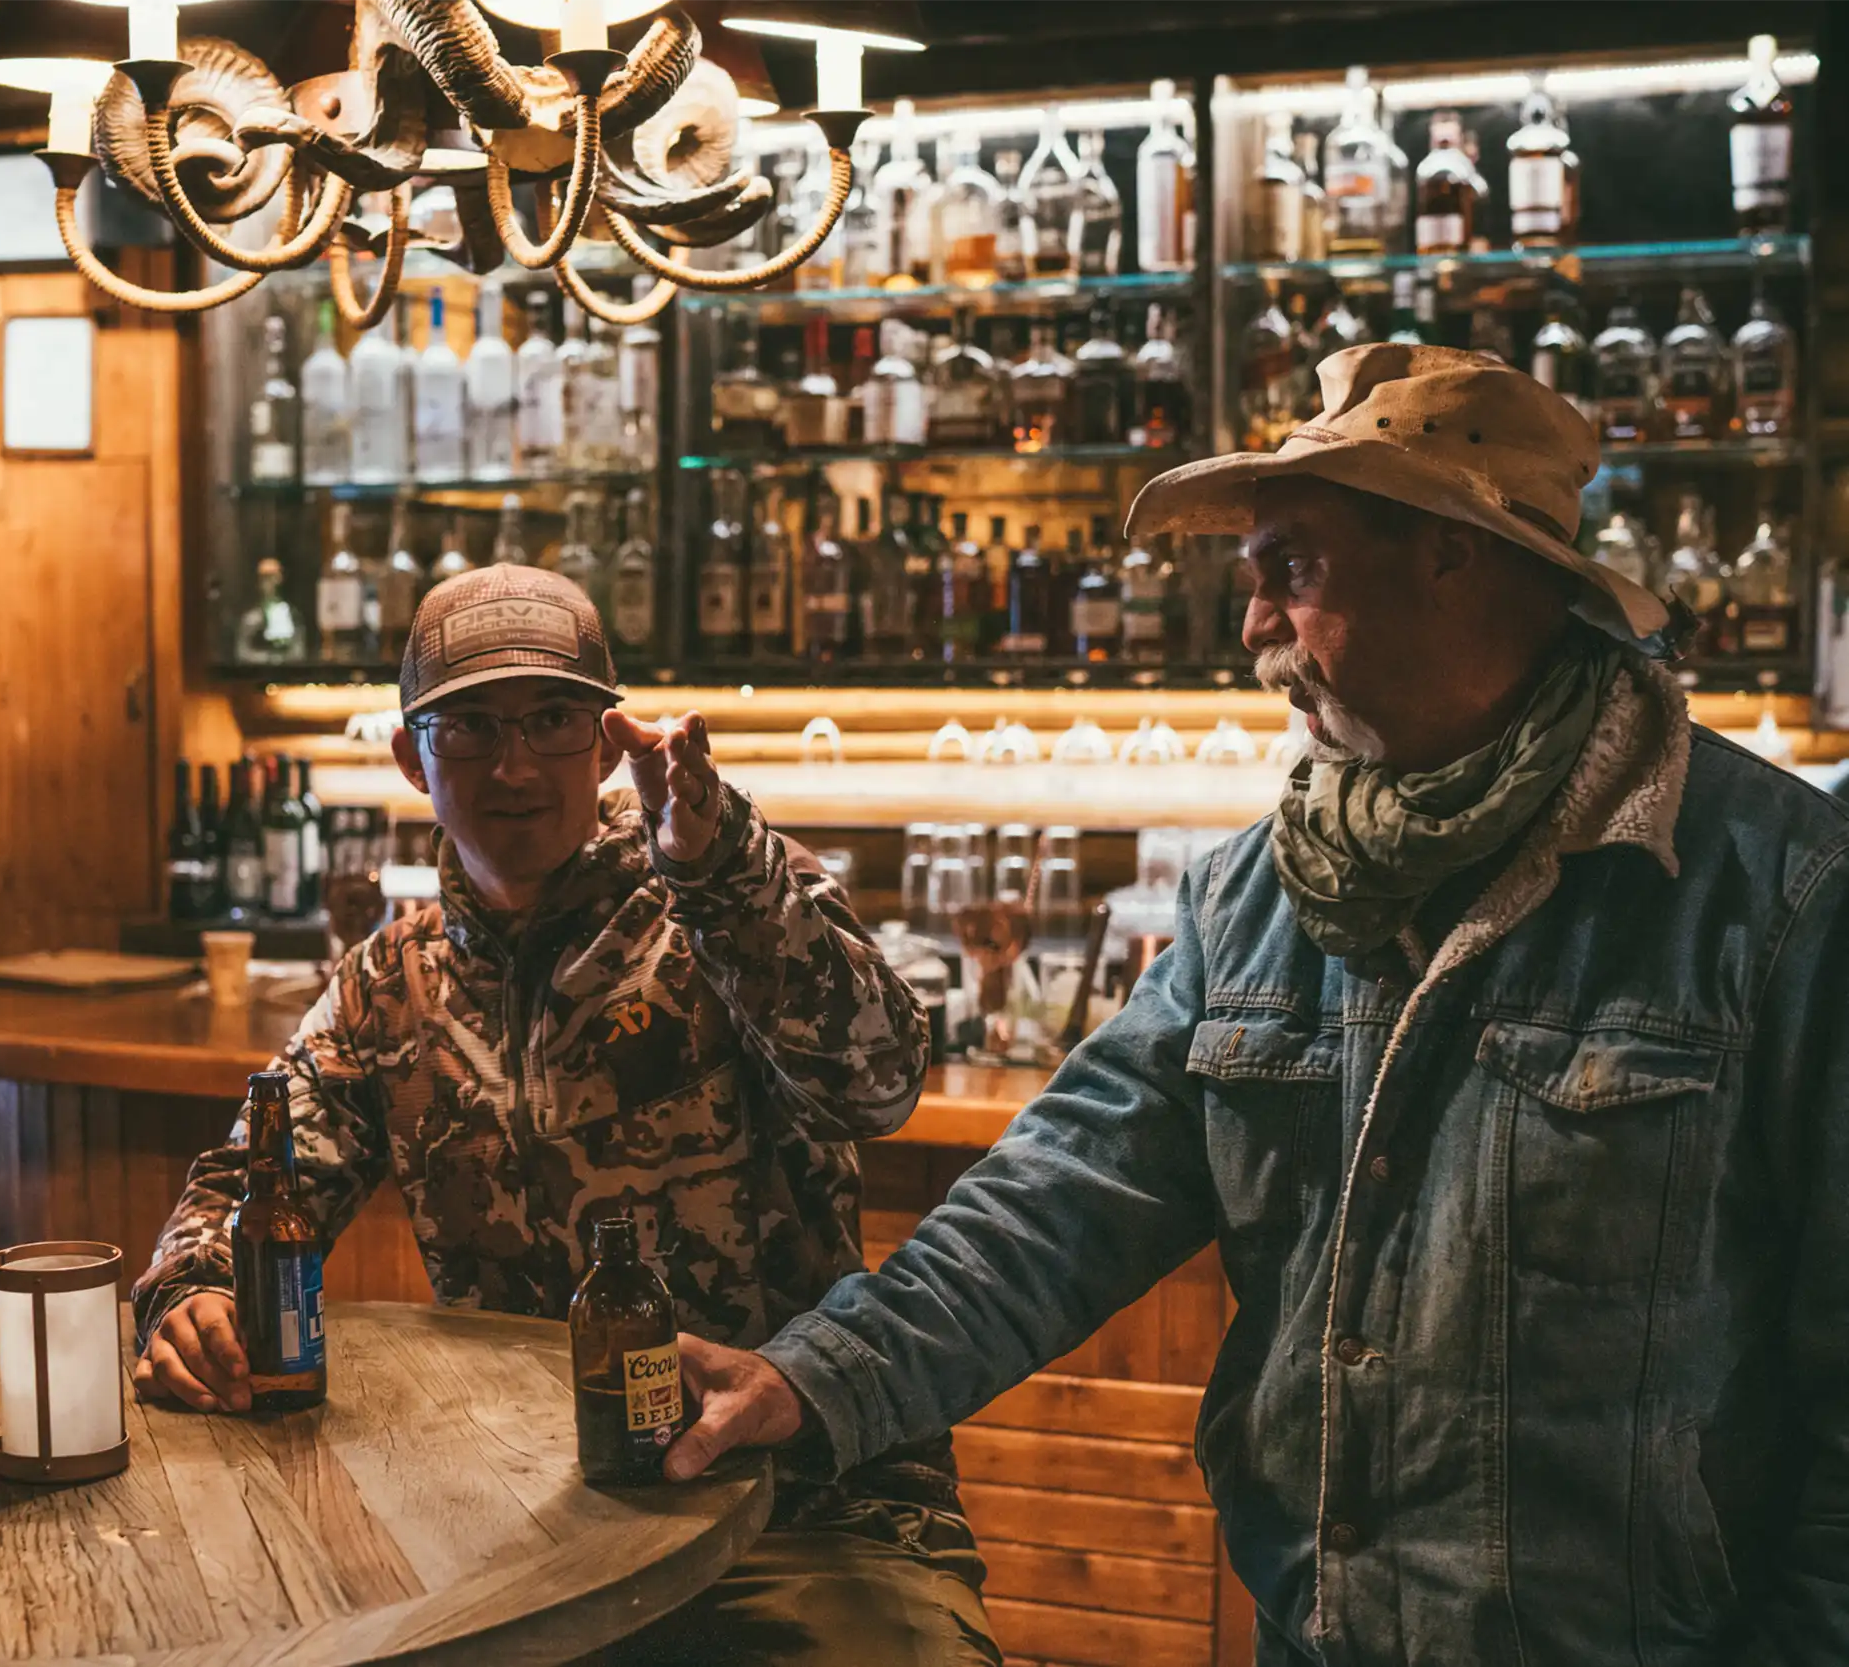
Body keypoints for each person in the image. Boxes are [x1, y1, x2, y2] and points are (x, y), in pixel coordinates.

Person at [667, 344, 1849, 1665]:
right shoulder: (1265, 893)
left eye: (1289, 568)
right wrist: (811, 1373)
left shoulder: (1777, 896)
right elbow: (1066, 1190)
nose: (1251, 627)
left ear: (1449, 554)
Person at [132, 565, 997, 1665]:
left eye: (551, 720)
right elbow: (251, 1174)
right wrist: (188, 1290)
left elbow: (877, 1085)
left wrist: (720, 862)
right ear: (411, 759)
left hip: (806, 1507)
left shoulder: (726, 899)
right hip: (520, 1518)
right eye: (470, 727)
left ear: (606, 742)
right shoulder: (384, 983)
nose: (514, 765)